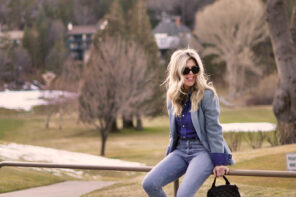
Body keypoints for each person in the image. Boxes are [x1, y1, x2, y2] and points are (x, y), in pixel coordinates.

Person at [142, 48, 235, 197]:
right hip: (180, 151)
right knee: (149, 184)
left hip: (202, 151)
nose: (191, 73)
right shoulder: (172, 96)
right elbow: (174, 132)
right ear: (177, 72)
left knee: (183, 195)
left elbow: (214, 130)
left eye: (194, 69)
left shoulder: (207, 95)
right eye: (186, 70)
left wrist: (219, 162)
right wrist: (169, 155)